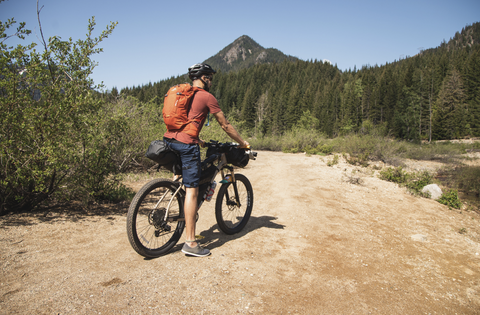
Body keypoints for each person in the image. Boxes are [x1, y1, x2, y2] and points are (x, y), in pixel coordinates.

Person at [163, 63, 250, 257]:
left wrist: (199, 140)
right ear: (205, 78)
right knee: (192, 191)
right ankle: (191, 243)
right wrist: (242, 142)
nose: (211, 81)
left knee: (184, 179)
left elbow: (183, 123)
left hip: (169, 140)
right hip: (186, 144)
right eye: (210, 78)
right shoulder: (206, 96)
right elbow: (225, 124)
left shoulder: (183, 94)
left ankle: (180, 209)